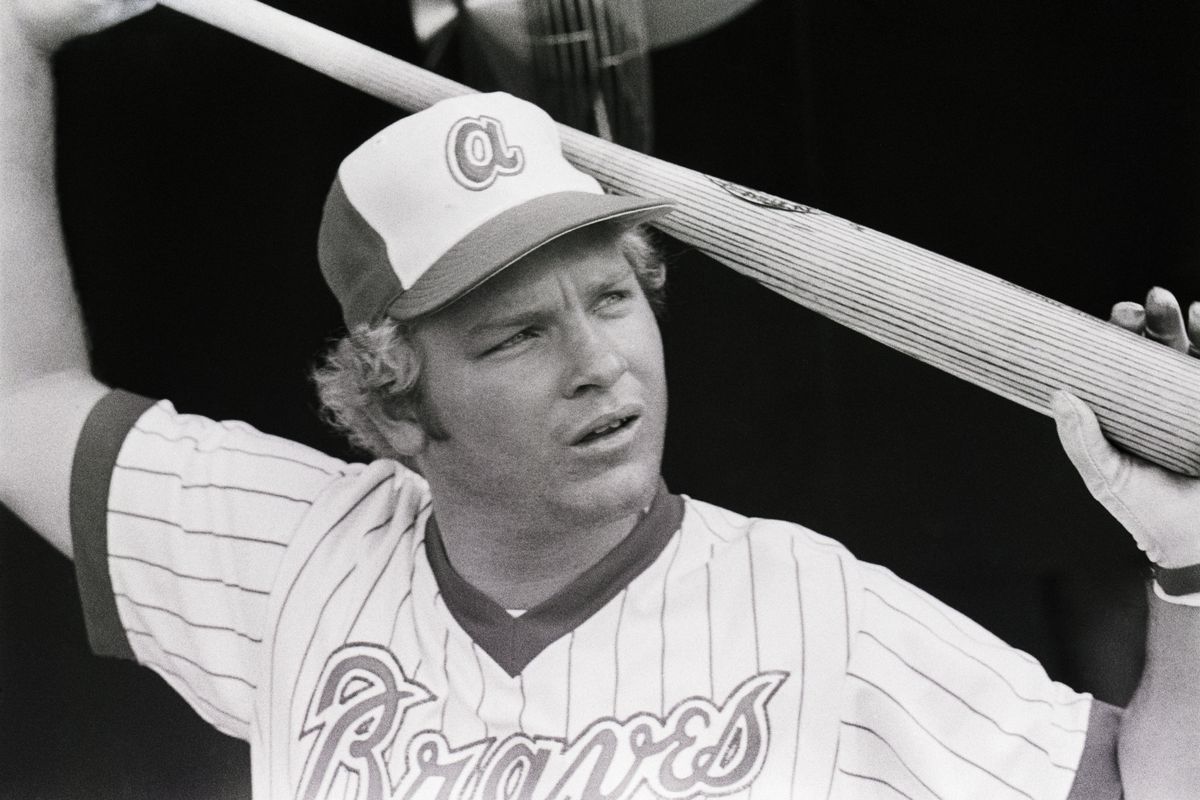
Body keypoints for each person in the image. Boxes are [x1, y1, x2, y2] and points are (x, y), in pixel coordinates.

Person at [3, 2, 1199, 799]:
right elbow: (19, 395)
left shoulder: (817, 610)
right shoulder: (294, 558)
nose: (600, 361)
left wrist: (1191, 564)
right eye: (520, 331)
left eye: (616, 295)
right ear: (398, 405)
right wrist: (13, 34)